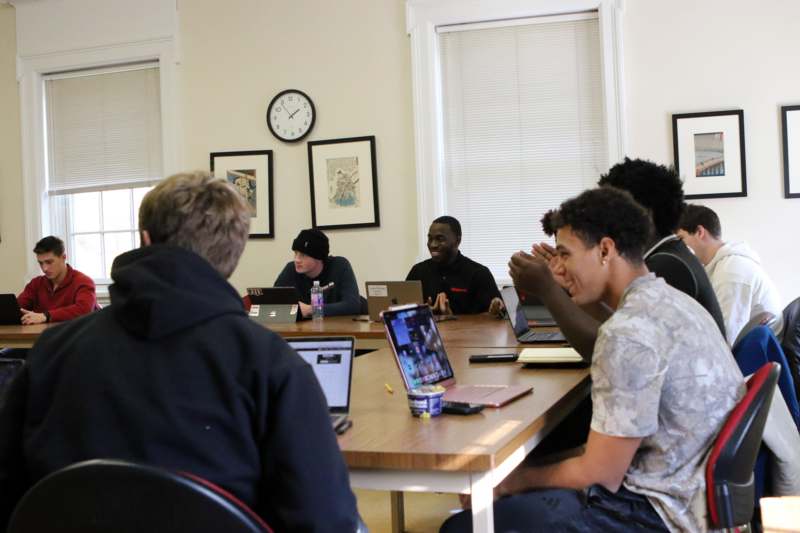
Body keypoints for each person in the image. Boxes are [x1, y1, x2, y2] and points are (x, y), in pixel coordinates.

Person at [0, 172, 360, 532]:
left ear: (145, 239)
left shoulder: (50, 353)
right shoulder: (273, 367)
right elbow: (326, 520)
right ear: (233, 256)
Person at [443, 187, 744, 533]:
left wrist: (507, 483)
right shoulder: (672, 302)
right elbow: (606, 454)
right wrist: (513, 474)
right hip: (689, 494)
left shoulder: (626, 336)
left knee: (460, 528)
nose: (557, 268)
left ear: (604, 250)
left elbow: (600, 473)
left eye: (565, 255)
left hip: (656, 514)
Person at [511, 158, 726, 359]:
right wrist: (573, 279)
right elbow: (618, 326)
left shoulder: (667, 265)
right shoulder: (671, 255)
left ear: (642, 214)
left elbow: (610, 348)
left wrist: (549, 291)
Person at [678, 203, 784, 345]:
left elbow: (727, 339)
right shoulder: (724, 265)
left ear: (700, 232)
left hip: (755, 353)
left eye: (681, 239)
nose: (679, 247)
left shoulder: (731, 272)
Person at [406, 216, 501, 315]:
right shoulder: (418, 271)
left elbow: (493, 317)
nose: (433, 245)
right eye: (430, 238)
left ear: (457, 241)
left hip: (466, 326)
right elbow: (402, 313)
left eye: (440, 239)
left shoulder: (479, 274)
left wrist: (452, 318)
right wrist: (425, 313)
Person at [273, 228, 362, 317]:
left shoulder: (339, 266)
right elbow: (272, 303)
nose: (297, 260)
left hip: (340, 324)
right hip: (306, 325)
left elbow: (353, 305)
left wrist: (311, 310)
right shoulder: (291, 269)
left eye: (303, 255)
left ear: (319, 257)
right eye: (296, 253)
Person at [16, 235, 97, 324]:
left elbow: (84, 310)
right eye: (41, 263)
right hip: (44, 332)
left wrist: (45, 316)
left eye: (49, 262)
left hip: (76, 333)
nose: (44, 268)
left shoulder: (83, 282)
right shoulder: (36, 284)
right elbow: (16, 308)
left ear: (63, 257)